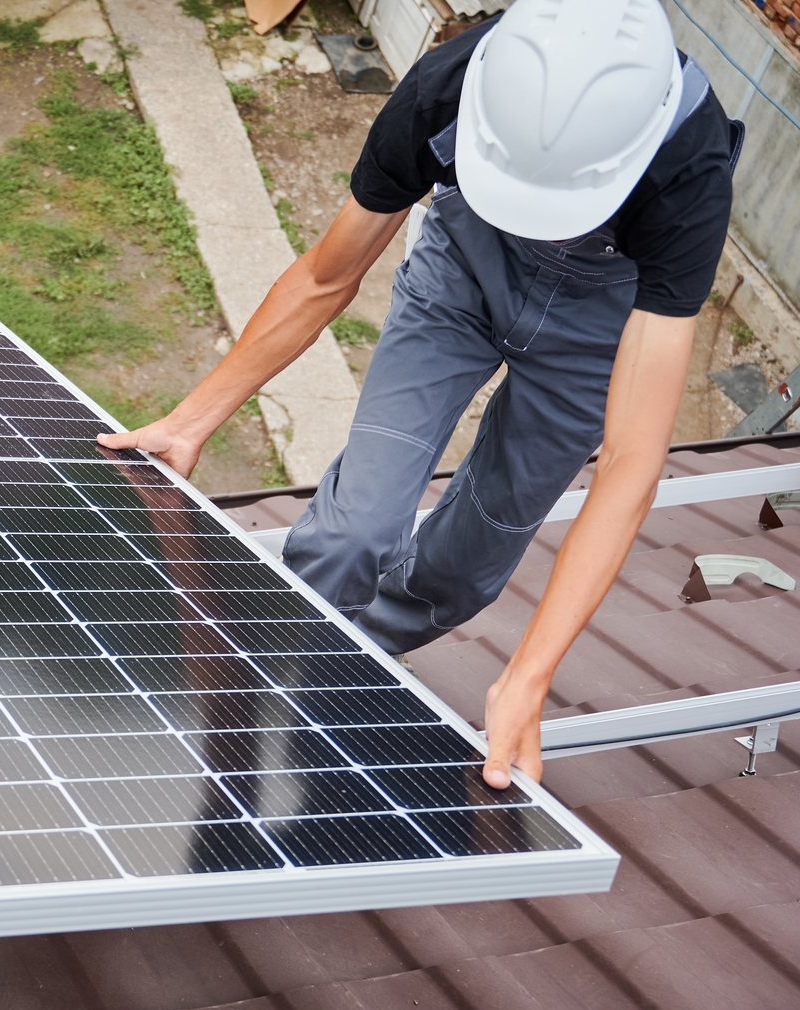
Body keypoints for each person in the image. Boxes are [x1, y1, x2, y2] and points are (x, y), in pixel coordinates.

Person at [99, 0, 741, 790]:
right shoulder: (444, 87)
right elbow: (325, 275)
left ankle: (340, 674)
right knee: (349, 532)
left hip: (596, 331)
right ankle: (266, 684)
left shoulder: (688, 165)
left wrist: (527, 677)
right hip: (461, 281)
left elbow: (630, 460)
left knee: (465, 571)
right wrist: (192, 419)